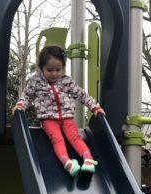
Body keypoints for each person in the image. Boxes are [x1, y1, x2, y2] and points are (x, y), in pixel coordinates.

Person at [12, 45, 105, 177]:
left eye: (58, 69)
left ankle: (88, 160)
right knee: (57, 139)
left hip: (66, 117)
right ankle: (67, 163)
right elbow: (27, 95)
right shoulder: (36, 81)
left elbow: (81, 94)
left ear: (63, 67)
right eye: (49, 70)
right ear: (41, 68)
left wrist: (95, 107)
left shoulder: (66, 81)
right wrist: (20, 105)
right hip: (48, 119)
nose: (54, 73)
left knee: (75, 137)